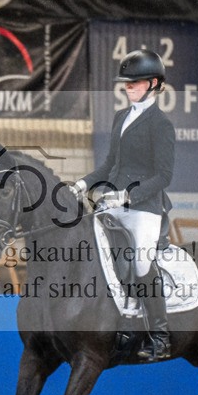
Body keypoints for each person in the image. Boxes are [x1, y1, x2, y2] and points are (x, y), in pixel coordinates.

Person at [70, 49, 175, 361]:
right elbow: (109, 165)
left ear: (153, 83)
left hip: (145, 209)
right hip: (113, 204)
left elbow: (164, 176)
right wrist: (82, 184)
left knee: (141, 263)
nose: (128, 87)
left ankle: (160, 336)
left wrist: (128, 195)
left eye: (135, 82)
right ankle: (115, 322)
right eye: (126, 82)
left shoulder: (161, 124)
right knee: (93, 251)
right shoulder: (120, 117)